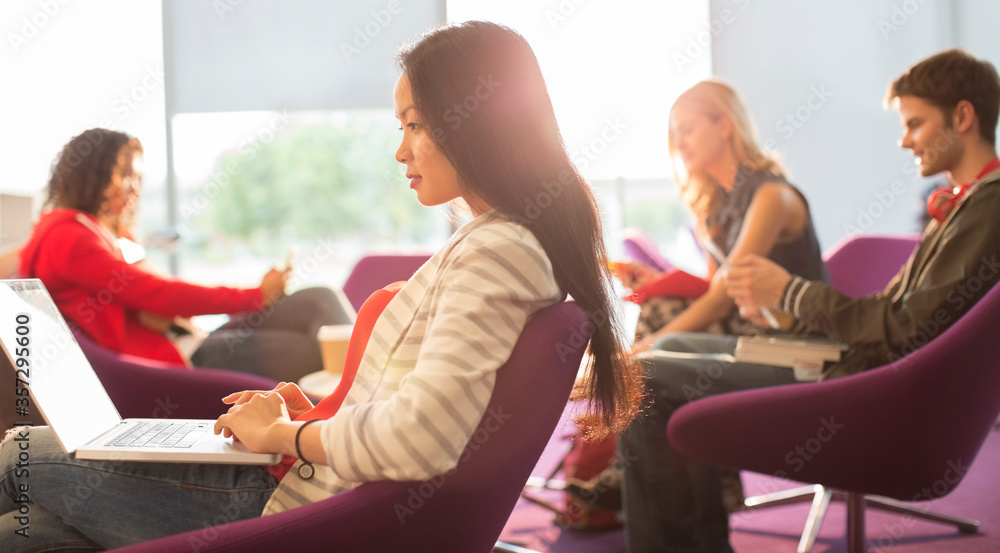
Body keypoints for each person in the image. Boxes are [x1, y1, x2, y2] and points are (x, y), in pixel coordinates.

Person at [0, 21, 643, 551]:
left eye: (415, 125)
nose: (401, 151)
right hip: (315, 485)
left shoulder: (498, 250)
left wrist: (281, 436)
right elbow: (417, 410)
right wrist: (312, 417)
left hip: (295, 506)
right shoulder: (503, 242)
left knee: (18, 451)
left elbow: (421, 436)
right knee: (30, 536)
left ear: (475, 122)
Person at [620, 48, 1000, 553]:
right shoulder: (964, 203)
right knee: (664, 351)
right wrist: (786, 312)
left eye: (915, 123)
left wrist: (791, 292)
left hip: (862, 386)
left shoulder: (988, 205)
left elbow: (905, 327)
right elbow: (897, 315)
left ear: (963, 117)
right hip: (852, 362)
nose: (904, 140)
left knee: (644, 375)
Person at [18, 129, 353, 381]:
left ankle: (373, 406)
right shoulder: (69, 238)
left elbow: (155, 293)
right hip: (175, 359)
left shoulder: (106, 232)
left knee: (319, 298)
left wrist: (155, 306)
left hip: (187, 336)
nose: (135, 188)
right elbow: (160, 293)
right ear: (92, 176)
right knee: (319, 351)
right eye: (125, 176)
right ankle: (368, 416)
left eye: (137, 177)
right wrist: (256, 295)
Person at [624, 80, 827, 351]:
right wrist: (657, 282)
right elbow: (713, 287)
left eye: (687, 130)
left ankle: (631, 367)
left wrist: (643, 348)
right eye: (675, 135)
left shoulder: (772, 196)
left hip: (792, 340)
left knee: (663, 336)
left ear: (723, 126)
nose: (679, 143)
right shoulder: (713, 206)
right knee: (656, 308)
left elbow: (721, 301)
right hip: (748, 326)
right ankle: (632, 370)